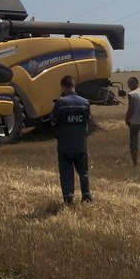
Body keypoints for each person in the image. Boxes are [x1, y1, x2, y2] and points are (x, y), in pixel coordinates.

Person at [49, 74, 92, 204]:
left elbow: (52, 121)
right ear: (74, 85)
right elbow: (87, 121)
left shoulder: (60, 103)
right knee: (83, 172)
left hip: (65, 145)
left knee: (66, 173)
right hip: (80, 144)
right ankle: (86, 196)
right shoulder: (85, 102)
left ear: (63, 87)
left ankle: (68, 198)